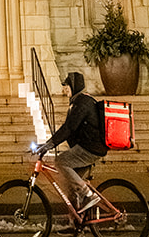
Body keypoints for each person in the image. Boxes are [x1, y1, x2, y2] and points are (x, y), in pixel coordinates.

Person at [36, 70, 106, 217]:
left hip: (90, 148)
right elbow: (70, 128)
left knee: (61, 161)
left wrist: (49, 144)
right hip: (88, 147)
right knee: (71, 186)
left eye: (66, 86)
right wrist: (48, 143)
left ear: (74, 86)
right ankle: (76, 224)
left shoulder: (82, 102)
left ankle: (89, 195)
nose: (64, 89)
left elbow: (69, 127)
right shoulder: (78, 102)